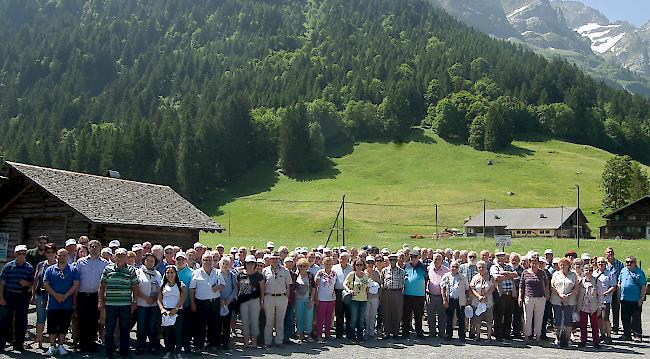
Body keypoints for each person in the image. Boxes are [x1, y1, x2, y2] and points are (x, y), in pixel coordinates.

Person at [100, 247, 140, 358]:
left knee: (125, 329)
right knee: (109, 330)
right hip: (110, 304)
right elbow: (102, 286)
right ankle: (109, 351)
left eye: (123, 255)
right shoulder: (108, 269)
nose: (120, 257)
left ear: (127, 256)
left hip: (125, 305)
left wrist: (134, 301)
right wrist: (100, 301)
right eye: (118, 255)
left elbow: (135, 287)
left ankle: (124, 352)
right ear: (114, 256)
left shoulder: (131, 270)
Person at [43, 248, 80, 356]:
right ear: (56, 256)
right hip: (53, 304)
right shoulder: (50, 269)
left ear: (67, 256)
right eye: (60, 255)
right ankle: (52, 346)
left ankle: (61, 346)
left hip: (66, 303)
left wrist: (65, 296)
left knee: (64, 326)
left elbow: (76, 284)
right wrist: (56, 295)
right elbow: (45, 284)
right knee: (52, 326)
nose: (62, 257)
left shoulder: (73, 269)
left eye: (64, 255)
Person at [75, 239, 108, 353]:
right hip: (83, 295)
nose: (94, 248)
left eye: (96, 246)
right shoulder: (80, 262)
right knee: (82, 319)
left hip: (96, 296)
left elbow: (105, 281)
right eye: (92, 246)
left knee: (94, 320)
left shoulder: (105, 263)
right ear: (88, 248)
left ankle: (92, 343)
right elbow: (77, 279)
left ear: (100, 248)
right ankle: (82, 343)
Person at [0, 244, 35, 352]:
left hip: (22, 295)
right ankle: (1, 344)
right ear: (15, 254)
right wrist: (1, 297)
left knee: (21, 321)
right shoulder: (8, 266)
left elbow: (32, 283)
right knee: (4, 320)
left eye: (23, 253)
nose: (21, 255)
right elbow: (1, 282)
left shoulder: (29, 268)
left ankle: (18, 344)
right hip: (9, 295)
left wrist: (27, 284)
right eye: (19, 253)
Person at [189, 253, 224, 351]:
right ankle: (199, 346)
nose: (207, 262)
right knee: (200, 326)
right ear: (201, 261)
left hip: (214, 302)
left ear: (213, 261)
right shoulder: (196, 273)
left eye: (209, 260)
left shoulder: (217, 272)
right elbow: (192, 289)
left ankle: (213, 344)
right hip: (201, 303)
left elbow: (223, 285)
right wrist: (192, 303)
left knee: (215, 325)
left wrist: (217, 288)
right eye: (205, 260)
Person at [262, 252, 292, 347]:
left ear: (279, 259)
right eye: (272, 258)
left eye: (276, 258)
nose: (274, 260)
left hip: (282, 297)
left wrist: (287, 295)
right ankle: (268, 341)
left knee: (280, 321)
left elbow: (288, 284)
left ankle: (279, 341)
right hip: (269, 297)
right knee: (269, 321)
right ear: (269, 259)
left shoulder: (285, 271)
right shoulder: (265, 270)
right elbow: (262, 285)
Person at [135, 253, 163, 355]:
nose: (150, 263)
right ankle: (140, 346)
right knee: (141, 326)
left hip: (154, 305)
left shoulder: (158, 274)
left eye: (152, 261)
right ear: (144, 261)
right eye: (148, 260)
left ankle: (152, 346)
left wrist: (156, 298)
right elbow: (135, 289)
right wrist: (146, 297)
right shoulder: (138, 272)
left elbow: (160, 289)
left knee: (152, 327)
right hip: (142, 304)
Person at [31, 243, 56, 351]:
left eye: (52, 252)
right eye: (48, 252)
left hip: (54, 296)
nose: (50, 254)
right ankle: (38, 341)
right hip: (41, 294)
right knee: (40, 319)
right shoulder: (41, 264)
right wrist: (32, 295)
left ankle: (53, 343)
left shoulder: (59, 264)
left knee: (53, 319)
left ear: (56, 253)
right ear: (45, 253)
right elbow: (35, 280)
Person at [519, 254, 547, 343]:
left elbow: (546, 284)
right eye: (532, 263)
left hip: (540, 298)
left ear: (538, 263)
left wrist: (546, 295)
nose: (533, 264)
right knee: (527, 318)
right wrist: (520, 296)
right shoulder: (525, 272)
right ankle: (527, 336)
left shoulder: (542, 272)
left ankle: (537, 336)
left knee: (539, 318)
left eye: (535, 263)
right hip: (528, 297)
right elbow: (521, 285)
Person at [550, 257, 578, 347]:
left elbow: (576, 287)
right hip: (557, 300)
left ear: (568, 265)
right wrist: (559, 294)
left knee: (568, 320)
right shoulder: (556, 274)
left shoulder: (573, 275)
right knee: (557, 319)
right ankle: (557, 338)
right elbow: (552, 286)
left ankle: (568, 338)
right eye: (561, 265)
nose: (562, 266)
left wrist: (568, 295)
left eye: (564, 265)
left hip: (570, 300)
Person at [238, 255, 265, 348]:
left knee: (254, 321)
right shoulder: (240, 274)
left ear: (255, 264)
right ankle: (246, 341)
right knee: (244, 321)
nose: (250, 265)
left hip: (255, 301)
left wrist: (262, 302)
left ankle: (254, 342)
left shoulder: (259, 276)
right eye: (248, 263)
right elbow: (238, 288)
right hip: (243, 301)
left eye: (252, 263)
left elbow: (262, 290)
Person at [618, 256, 647, 342]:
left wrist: (641, 298)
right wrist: (618, 296)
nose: (629, 264)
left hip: (635, 299)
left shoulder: (639, 273)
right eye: (627, 262)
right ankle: (627, 334)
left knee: (635, 318)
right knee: (624, 318)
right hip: (624, 298)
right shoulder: (623, 271)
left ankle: (637, 335)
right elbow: (619, 283)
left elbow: (643, 286)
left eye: (631, 262)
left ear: (635, 262)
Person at [158, 265, 186, 354]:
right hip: (166, 311)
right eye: (168, 273)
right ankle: (168, 350)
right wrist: (162, 309)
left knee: (177, 332)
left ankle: (177, 351)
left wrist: (176, 308)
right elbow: (159, 299)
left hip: (177, 311)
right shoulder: (162, 285)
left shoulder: (181, 285)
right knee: (167, 333)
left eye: (172, 272)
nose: (170, 275)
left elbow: (182, 298)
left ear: (176, 274)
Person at [490, 251, 518, 341]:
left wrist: (505, 273)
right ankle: (498, 334)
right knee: (498, 315)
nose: (501, 259)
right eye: (499, 257)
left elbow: (515, 275)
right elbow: (496, 278)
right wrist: (508, 276)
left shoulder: (509, 266)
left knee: (508, 315)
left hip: (509, 294)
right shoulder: (494, 267)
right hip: (500, 294)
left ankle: (507, 333)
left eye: (502, 257)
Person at [440, 260, 470, 341]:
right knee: (449, 318)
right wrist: (444, 299)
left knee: (461, 319)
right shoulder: (446, 276)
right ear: (450, 267)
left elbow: (467, 289)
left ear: (458, 268)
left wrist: (467, 299)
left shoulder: (463, 277)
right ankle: (449, 335)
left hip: (460, 300)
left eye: (456, 267)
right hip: (450, 299)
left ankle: (462, 336)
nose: (454, 268)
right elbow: (443, 289)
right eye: (453, 266)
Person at [402, 249, 427, 339]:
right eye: (412, 257)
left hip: (419, 295)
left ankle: (419, 332)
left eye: (415, 257)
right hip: (408, 294)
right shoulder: (406, 266)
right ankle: (405, 333)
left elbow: (426, 278)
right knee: (406, 315)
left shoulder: (423, 267)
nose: (413, 258)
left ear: (418, 257)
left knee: (418, 315)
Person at [577, 264, 603, 348]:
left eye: (590, 270)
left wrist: (600, 307)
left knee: (594, 326)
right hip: (583, 306)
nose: (588, 272)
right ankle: (583, 341)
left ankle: (596, 342)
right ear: (583, 271)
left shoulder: (596, 281)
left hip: (593, 307)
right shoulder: (581, 281)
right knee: (583, 325)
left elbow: (600, 295)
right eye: (586, 270)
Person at [344, 259, 369, 343]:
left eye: (361, 265)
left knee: (361, 319)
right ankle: (352, 336)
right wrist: (349, 290)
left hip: (364, 300)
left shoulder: (365, 275)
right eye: (357, 265)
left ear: (363, 266)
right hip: (354, 300)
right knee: (353, 319)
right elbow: (344, 284)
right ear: (354, 266)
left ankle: (360, 336)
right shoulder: (352, 274)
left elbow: (368, 286)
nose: (359, 266)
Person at [380, 253, 405, 339]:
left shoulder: (401, 271)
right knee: (386, 312)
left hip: (397, 292)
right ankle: (386, 332)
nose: (392, 262)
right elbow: (382, 281)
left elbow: (403, 283)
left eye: (394, 260)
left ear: (397, 261)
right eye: (391, 260)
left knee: (397, 313)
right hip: (386, 292)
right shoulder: (384, 270)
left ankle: (396, 332)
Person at [173, 251, 194, 353]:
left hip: (187, 304)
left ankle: (186, 345)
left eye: (182, 259)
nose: (180, 261)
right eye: (178, 259)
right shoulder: (171, 271)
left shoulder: (191, 272)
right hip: (173, 305)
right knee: (175, 327)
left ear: (186, 260)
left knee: (187, 327)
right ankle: (176, 345)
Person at [470, 260, 494, 341]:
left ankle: (489, 336)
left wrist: (485, 296)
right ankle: (477, 336)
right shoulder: (475, 277)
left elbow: (492, 287)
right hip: (477, 302)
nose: (481, 269)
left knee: (489, 320)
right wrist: (478, 296)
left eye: (482, 267)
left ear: (486, 267)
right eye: (479, 267)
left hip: (488, 302)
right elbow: (472, 288)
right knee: (477, 319)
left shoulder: (491, 277)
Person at [594, 256, 616, 344]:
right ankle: (602, 333)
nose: (600, 264)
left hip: (606, 299)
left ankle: (609, 335)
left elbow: (613, 286)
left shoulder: (610, 274)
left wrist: (606, 292)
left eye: (602, 262)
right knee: (598, 318)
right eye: (599, 262)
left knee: (605, 318)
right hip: (596, 300)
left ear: (605, 264)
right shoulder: (594, 273)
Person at [315, 256, 337, 342]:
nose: (328, 265)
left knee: (329, 317)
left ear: (332, 264)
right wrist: (316, 298)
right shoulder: (319, 273)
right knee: (320, 318)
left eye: (330, 264)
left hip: (331, 298)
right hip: (321, 298)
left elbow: (334, 285)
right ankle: (319, 335)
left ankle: (327, 334)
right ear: (323, 264)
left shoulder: (334, 273)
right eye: (326, 264)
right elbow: (316, 286)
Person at [427, 253, 449, 338]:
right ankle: (432, 332)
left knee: (442, 315)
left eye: (438, 259)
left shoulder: (446, 270)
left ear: (442, 260)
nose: (437, 261)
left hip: (441, 296)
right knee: (431, 315)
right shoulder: (429, 269)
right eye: (435, 259)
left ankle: (441, 332)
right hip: (431, 295)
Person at [295, 258, 316, 342]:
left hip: (308, 299)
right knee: (299, 317)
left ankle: (308, 334)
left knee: (309, 318)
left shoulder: (310, 275)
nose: (302, 267)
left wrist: (312, 299)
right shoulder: (295, 275)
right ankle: (300, 334)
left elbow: (314, 289)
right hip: (298, 300)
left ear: (307, 266)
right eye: (300, 266)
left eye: (304, 266)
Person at [218, 257, 237, 349]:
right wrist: (220, 300)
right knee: (217, 324)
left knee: (226, 324)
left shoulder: (232, 275)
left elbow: (235, 289)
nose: (225, 266)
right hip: (219, 302)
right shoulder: (217, 274)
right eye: (223, 264)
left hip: (228, 303)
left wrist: (229, 300)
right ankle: (217, 343)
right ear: (220, 264)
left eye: (227, 264)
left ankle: (225, 343)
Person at [332, 252, 353, 339]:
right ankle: (339, 334)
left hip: (348, 292)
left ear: (348, 259)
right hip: (338, 292)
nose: (342, 259)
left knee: (349, 314)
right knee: (339, 313)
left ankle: (348, 334)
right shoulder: (335, 267)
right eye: (341, 258)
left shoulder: (351, 268)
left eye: (344, 258)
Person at [605, 247, 624, 334]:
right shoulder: (603, 264)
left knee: (616, 308)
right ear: (605, 254)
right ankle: (606, 326)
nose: (610, 253)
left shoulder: (619, 264)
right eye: (608, 252)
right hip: (605, 289)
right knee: (606, 309)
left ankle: (615, 327)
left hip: (616, 289)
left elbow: (622, 276)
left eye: (611, 252)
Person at [364, 255, 381, 339]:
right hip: (365, 297)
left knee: (373, 315)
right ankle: (366, 332)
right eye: (368, 262)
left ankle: (371, 331)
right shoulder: (363, 273)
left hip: (375, 297)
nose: (370, 264)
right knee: (366, 315)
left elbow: (380, 285)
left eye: (371, 262)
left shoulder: (377, 273)